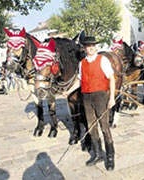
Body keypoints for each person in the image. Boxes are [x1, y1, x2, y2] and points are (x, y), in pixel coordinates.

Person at [63, 36, 116, 171]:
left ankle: (110, 156)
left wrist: (112, 98)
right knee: (91, 126)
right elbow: (79, 81)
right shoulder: (82, 63)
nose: (90, 47)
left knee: (104, 127)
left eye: (92, 45)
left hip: (100, 96)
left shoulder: (102, 60)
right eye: (87, 46)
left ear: (95, 47)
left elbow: (111, 78)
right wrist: (68, 91)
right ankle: (98, 154)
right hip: (86, 98)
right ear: (84, 48)